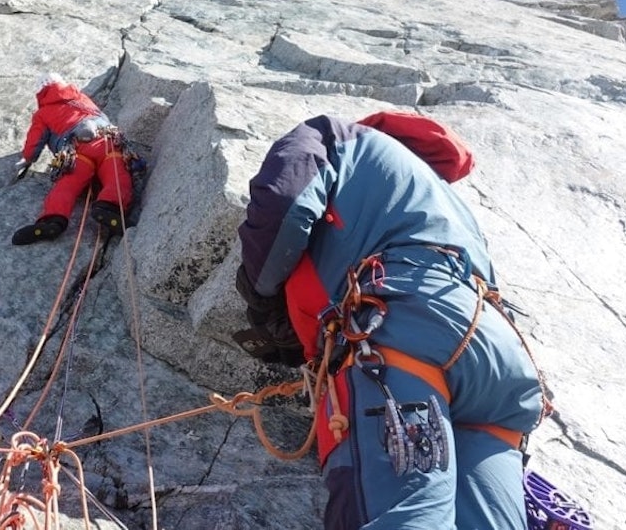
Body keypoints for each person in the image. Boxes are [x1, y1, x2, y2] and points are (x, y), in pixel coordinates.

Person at [234, 111, 550, 530]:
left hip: (407, 335)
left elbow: (284, 204)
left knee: (405, 519)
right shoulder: (444, 197)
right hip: (500, 368)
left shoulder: (332, 135)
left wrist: (263, 302)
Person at [11, 73, 133, 245]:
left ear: (41, 93)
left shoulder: (43, 113)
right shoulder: (82, 98)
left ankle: (52, 219)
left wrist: (27, 159)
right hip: (107, 142)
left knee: (68, 184)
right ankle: (108, 206)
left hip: (76, 151)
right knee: (117, 174)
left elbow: (35, 141)